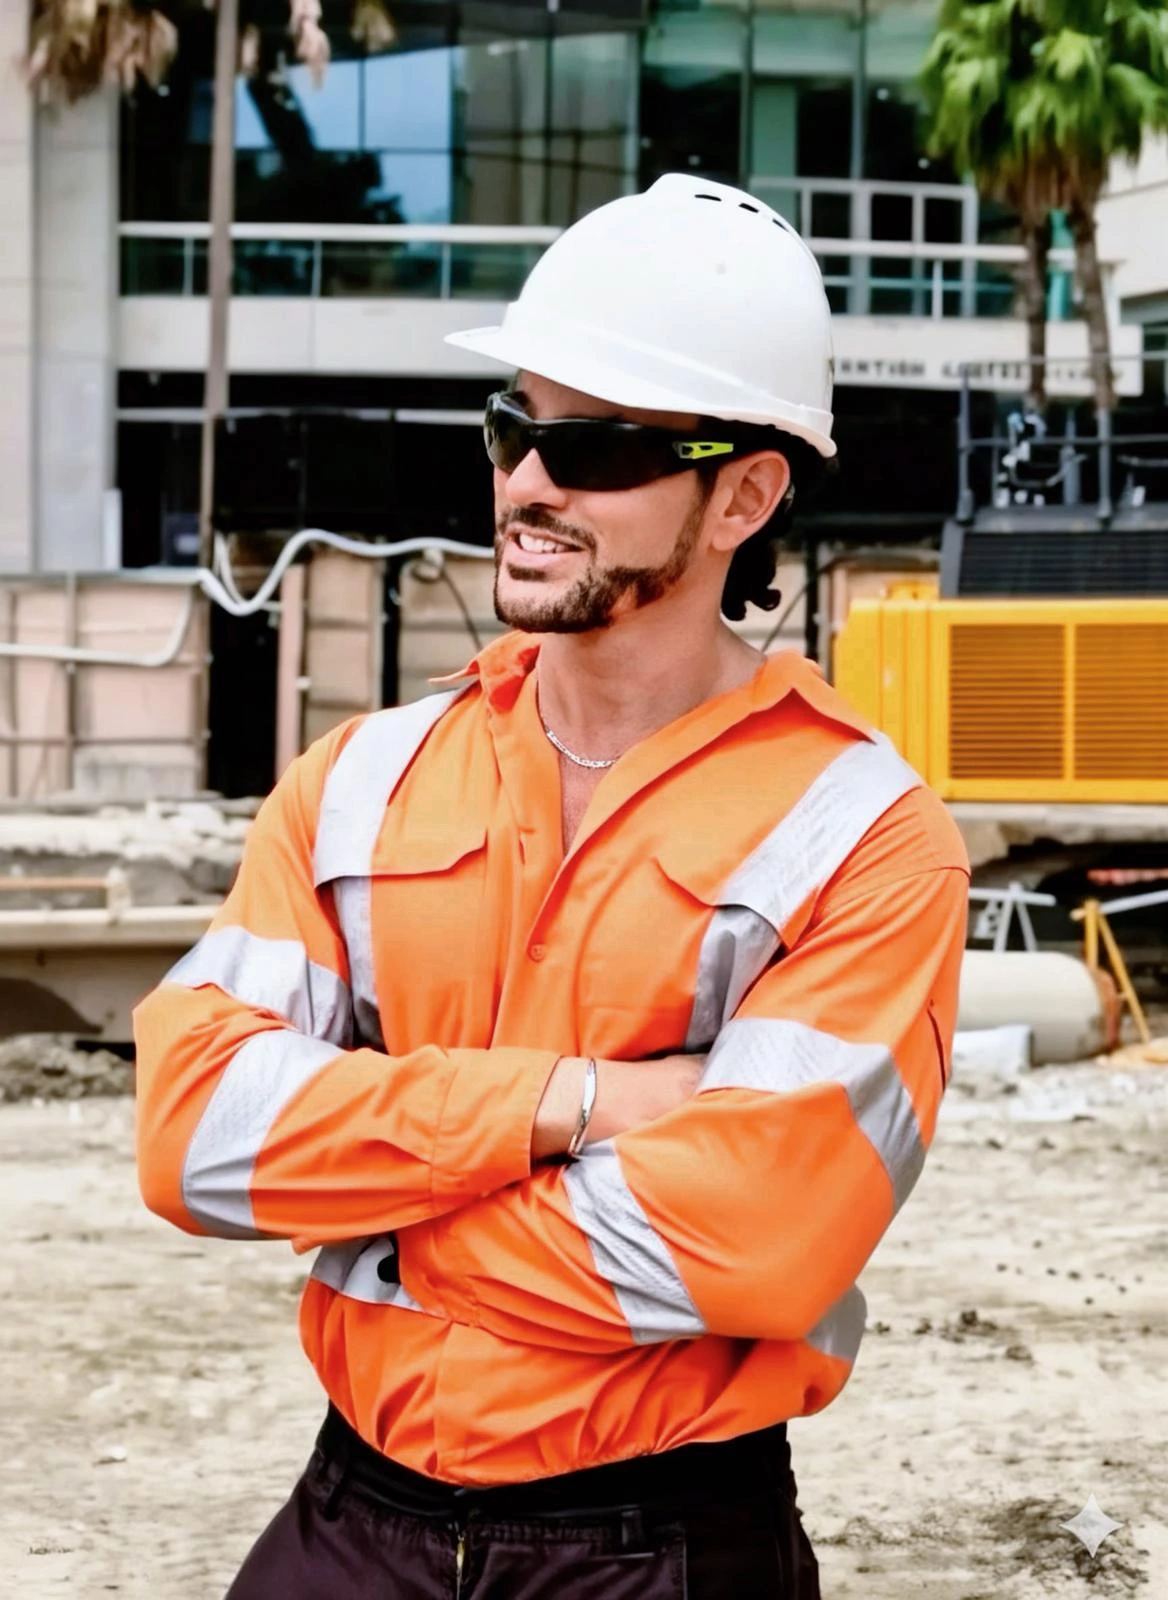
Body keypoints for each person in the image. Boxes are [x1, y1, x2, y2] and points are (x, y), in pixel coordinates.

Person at [135, 174, 970, 1598]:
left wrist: (365, 1201)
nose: (527, 483)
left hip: (661, 1548)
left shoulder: (862, 837)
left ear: (745, 494)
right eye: (514, 428)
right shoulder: (362, 780)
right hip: (349, 1520)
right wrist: (572, 1104)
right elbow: (191, 1136)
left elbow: (749, 1248)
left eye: (596, 448)